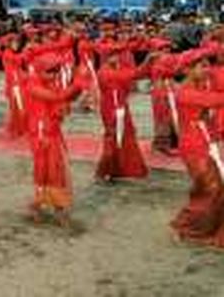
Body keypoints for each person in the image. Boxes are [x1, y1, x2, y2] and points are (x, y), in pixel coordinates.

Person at [171, 47, 224, 247]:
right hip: (194, 146)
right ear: (187, 70)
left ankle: (202, 226)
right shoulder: (185, 93)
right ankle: (184, 226)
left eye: (207, 65)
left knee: (213, 187)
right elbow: (216, 100)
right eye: (202, 66)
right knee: (211, 187)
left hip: (204, 142)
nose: (207, 69)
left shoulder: (201, 88)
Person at [26, 53, 85, 226]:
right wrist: (77, 84)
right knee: (46, 170)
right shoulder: (32, 85)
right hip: (41, 134)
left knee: (56, 169)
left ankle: (51, 206)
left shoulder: (52, 84)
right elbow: (57, 98)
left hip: (53, 132)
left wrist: (78, 88)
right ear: (40, 71)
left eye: (57, 71)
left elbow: (65, 99)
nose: (54, 75)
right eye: (50, 72)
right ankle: (43, 205)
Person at [95, 46, 150, 183]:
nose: (116, 58)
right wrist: (148, 61)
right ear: (105, 58)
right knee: (114, 137)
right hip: (111, 109)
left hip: (121, 107)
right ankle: (108, 169)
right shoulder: (104, 72)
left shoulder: (117, 70)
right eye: (112, 55)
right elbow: (134, 74)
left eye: (117, 55)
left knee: (126, 135)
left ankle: (123, 168)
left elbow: (135, 75)